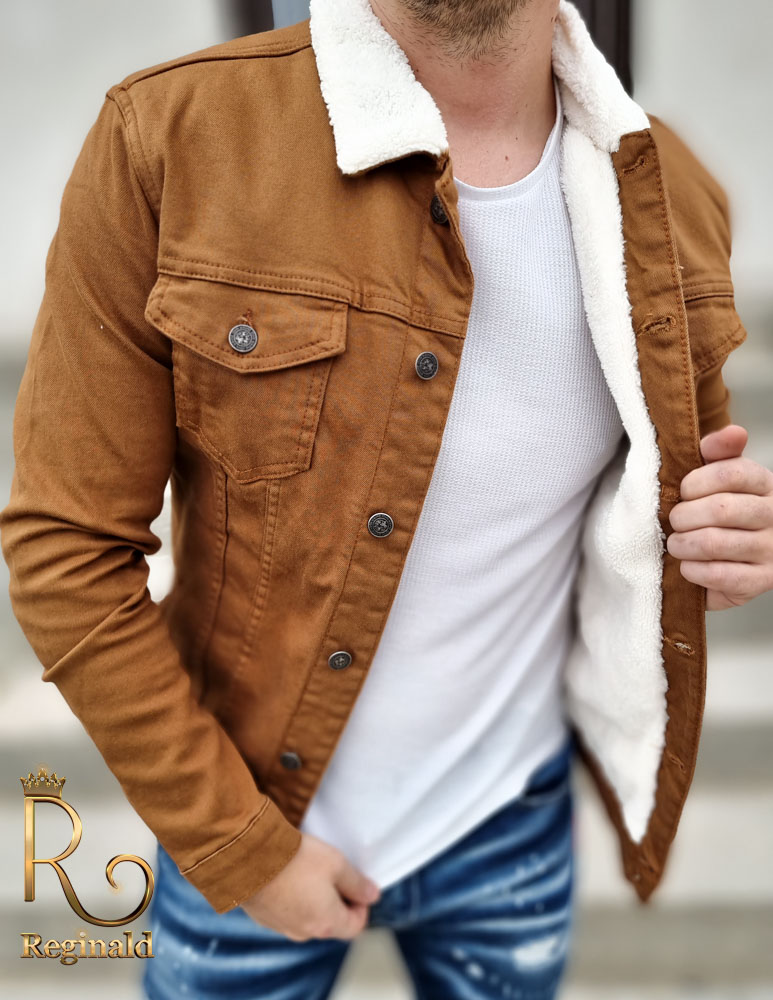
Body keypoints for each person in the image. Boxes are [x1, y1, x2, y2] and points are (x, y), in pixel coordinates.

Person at [2, 0, 772, 997]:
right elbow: (64, 549)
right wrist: (241, 847)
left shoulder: (669, 191)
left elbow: (670, 507)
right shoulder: (170, 140)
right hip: (247, 814)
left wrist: (723, 543)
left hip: (510, 820)